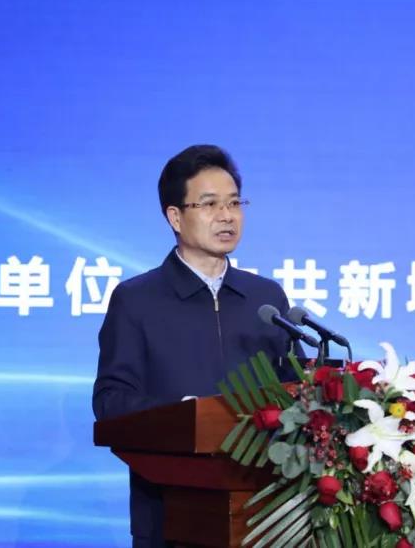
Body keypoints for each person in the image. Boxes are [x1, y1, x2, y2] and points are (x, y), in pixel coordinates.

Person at [92, 144, 299, 547]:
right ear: (175, 216)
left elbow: (295, 394)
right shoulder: (136, 300)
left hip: (265, 519)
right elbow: (111, 401)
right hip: (170, 517)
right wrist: (185, 416)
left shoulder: (266, 298)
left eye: (234, 203)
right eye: (209, 204)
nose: (227, 215)